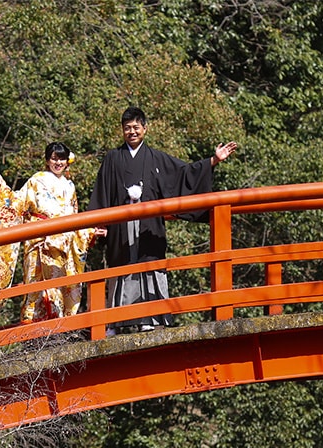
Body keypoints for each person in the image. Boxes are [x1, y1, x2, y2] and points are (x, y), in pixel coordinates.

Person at [88, 106, 238, 332]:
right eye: (127, 128)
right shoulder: (113, 158)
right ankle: (116, 322)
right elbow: (102, 191)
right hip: (120, 225)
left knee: (150, 263)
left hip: (149, 225)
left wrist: (212, 161)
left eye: (136, 127)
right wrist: (100, 224)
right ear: (122, 131)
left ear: (145, 129)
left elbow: (184, 174)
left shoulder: (156, 157)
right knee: (120, 266)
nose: (132, 132)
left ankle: (151, 317)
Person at [0, 142, 100, 322]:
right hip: (38, 240)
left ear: (67, 161)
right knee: (35, 285)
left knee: (58, 288)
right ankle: (32, 328)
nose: (58, 162)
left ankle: (56, 329)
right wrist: (3, 186)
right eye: (54, 158)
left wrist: (89, 231)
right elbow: (17, 203)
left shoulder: (70, 186)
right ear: (47, 160)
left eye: (61, 159)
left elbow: (74, 218)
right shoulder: (36, 181)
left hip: (62, 244)